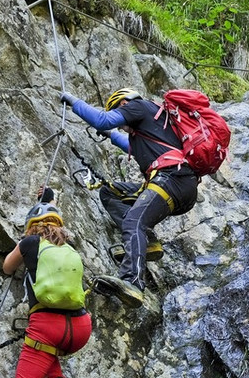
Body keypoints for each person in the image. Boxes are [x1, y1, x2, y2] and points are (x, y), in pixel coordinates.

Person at [59, 87, 200, 308]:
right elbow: (129, 145)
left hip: (172, 179)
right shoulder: (151, 126)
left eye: (120, 116)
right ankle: (148, 242)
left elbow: (103, 120)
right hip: (177, 183)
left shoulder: (139, 106)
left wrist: (73, 101)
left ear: (124, 104)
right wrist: (111, 136)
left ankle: (132, 281)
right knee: (109, 192)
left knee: (134, 221)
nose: (121, 124)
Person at [2, 192, 92, 378]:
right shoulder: (68, 247)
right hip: (80, 327)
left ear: (31, 226)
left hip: (46, 324)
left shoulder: (30, 242)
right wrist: (49, 197)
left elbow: (7, 267)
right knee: (44, 349)